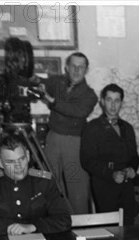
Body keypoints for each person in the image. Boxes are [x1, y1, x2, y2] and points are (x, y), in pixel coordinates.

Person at [0, 132, 71, 236]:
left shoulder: (44, 182)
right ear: (0, 162)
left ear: (28, 156)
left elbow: (63, 220)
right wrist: (15, 227)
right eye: (11, 162)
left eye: (22, 159)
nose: (18, 166)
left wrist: (32, 226)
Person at [41, 52, 98, 214]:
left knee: (77, 188)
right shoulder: (57, 82)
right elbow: (41, 83)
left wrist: (52, 102)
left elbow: (77, 111)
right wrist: (32, 81)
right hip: (52, 139)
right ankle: (57, 225)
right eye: (73, 66)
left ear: (86, 70)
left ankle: (81, 230)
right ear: (67, 67)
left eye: (81, 67)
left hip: (74, 143)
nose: (77, 70)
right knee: (50, 185)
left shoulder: (90, 95)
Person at [80, 84, 139, 225]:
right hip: (104, 184)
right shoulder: (92, 127)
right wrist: (111, 173)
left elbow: (134, 156)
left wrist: (132, 168)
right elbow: (87, 160)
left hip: (126, 186)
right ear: (102, 101)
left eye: (117, 100)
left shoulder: (127, 128)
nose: (113, 105)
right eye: (109, 100)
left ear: (122, 103)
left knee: (128, 226)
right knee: (110, 229)